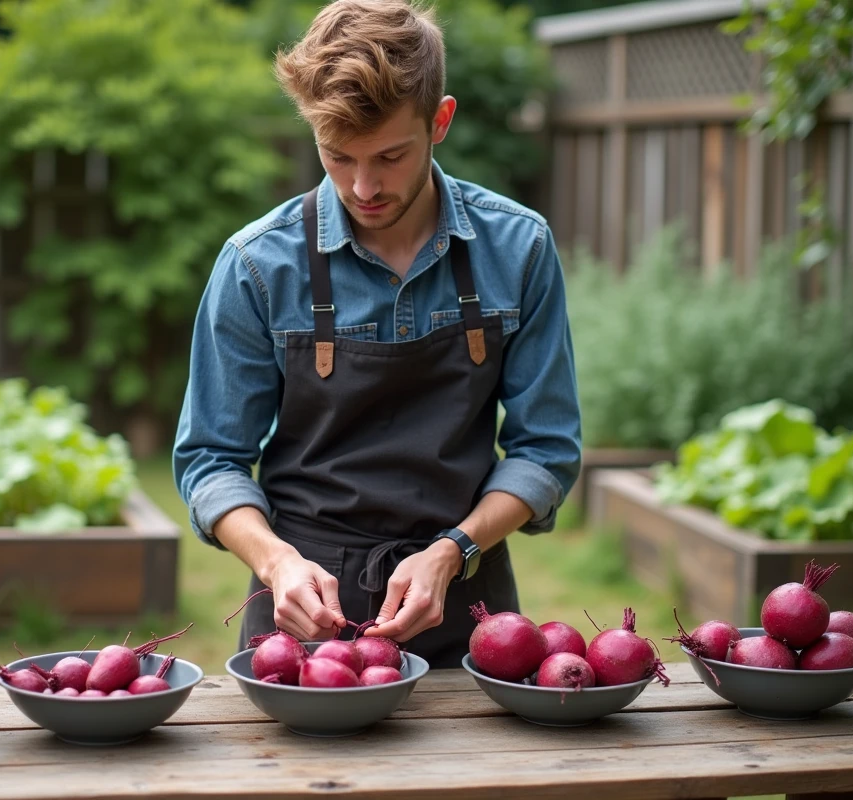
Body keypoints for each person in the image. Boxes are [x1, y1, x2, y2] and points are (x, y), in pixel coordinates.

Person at [173, 0, 581, 669]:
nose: (363, 187)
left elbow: (547, 449)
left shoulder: (519, 248)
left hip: (469, 606)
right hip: (301, 619)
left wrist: (454, 550)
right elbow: (209, 461)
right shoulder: (258, 264)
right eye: (337, 156)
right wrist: (276, 563)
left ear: (440, 121)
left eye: (391, 156)